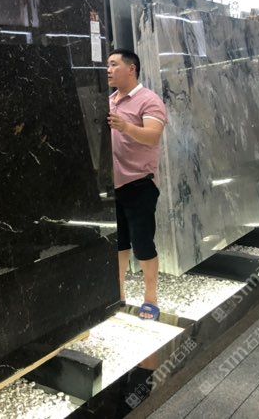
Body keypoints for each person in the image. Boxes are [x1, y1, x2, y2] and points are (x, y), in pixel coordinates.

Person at [107, 49, 167, 321]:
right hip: (113, 184)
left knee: (142, 242)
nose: (108, 70)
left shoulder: (149, 100)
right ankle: (117, 294)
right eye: (108, 65)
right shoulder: (110, 101)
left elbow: (153, 136)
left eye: (114, 64)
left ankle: (151, 299)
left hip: (139, 183)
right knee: (118, 243)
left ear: (131, 69)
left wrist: (125, 127)